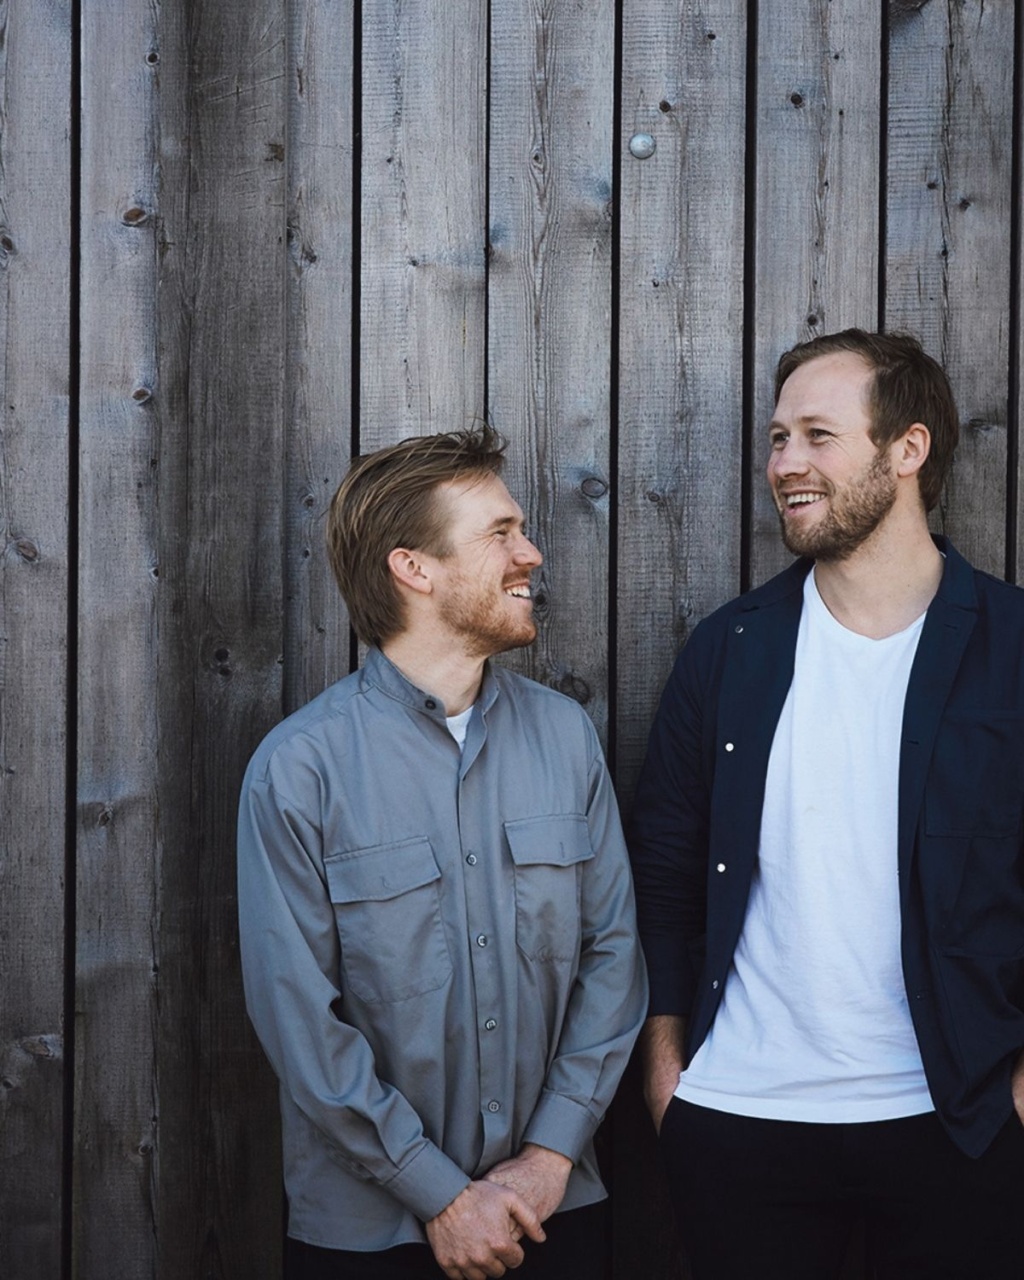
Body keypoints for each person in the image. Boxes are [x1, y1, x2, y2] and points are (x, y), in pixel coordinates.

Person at [629, 329, 1024, 1280]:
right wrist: (669, 1075)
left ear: (908, 451)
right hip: (740, 1120)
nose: (785, 464)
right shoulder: (727, 651)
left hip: (962, 1122)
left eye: (817, 435)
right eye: (777, 438)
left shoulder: (1013, 647)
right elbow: (663, 880)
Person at [238, 424, 646, 1280]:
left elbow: (613, 959)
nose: (531, 553)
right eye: (501, 532)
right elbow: (300, 1022)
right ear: (413, 568)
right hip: (369, 1235)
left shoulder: (566, 740)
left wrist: (548, 1156)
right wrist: (439, 1194)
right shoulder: (300, 769)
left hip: (554, 1212)